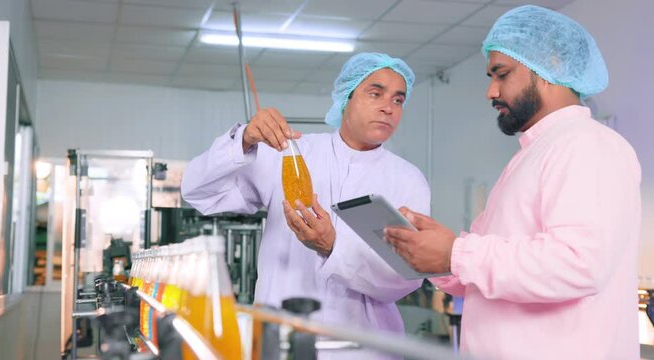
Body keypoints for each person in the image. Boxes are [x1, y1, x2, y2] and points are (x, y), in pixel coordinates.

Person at [384, 5, 641, 359]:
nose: (491, 91)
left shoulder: (587, 144)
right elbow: (496, 269)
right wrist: (436, 253)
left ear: (549, 65)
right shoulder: (534, 153)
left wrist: (456, 253)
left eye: (501, 74)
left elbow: (578, 263)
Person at [181, 52, 431, 358]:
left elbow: (405, 279)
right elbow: (197, 192)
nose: (388, 108)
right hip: (280, 343)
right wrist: (244, 140)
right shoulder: (290, 154)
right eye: (375, 93)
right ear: (345, 98)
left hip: (363, 351)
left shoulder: (407, 180)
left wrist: (332, 247)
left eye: (398, 100)